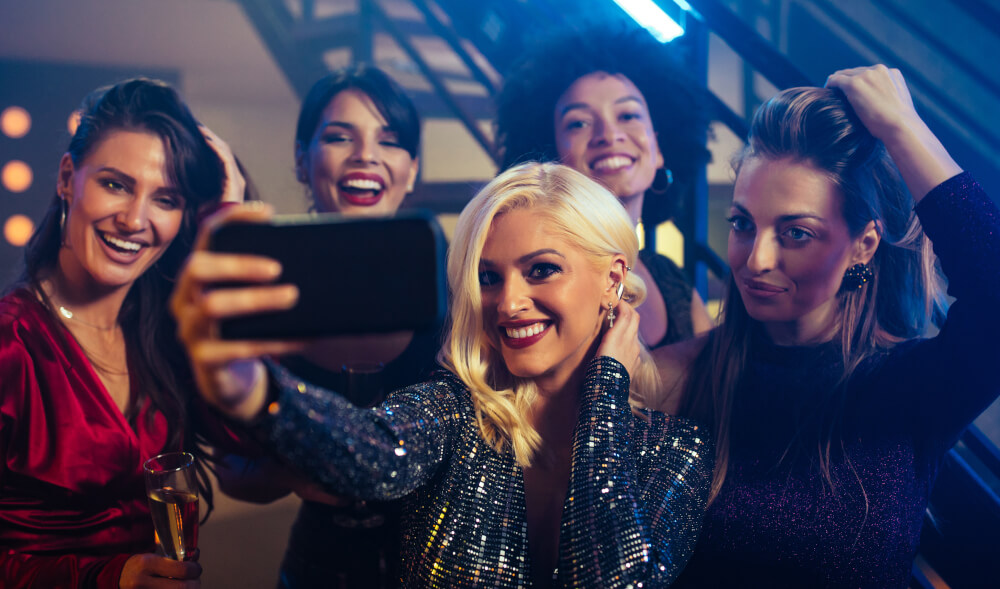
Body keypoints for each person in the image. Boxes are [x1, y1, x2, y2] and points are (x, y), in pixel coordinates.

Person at [171, 161, 714, 587]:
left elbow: (613, 580)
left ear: (613, 280)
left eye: (541, 270)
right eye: (488, 278)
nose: (508, 303)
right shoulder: (456, 410)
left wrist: (604, 394)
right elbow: (371, 454)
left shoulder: (676, 451)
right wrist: (254, 389)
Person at [653, 66, 1000, 588]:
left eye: (796, 233)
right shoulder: (681, 377)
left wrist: (903, 127)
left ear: (863, 245)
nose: (755, 260)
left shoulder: (909, 389)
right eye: (743, 224)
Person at [0, 78, 242, 588]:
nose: (135, 219)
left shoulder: (163, 338)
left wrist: (227, 219)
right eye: (115, 183)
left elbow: (250, 439)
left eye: (167, 199)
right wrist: (110, 579)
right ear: (68, 178)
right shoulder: (9, 345)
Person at [210, 64, 437, 589]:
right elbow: (230, 469)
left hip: (437, 569)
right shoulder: (266, 294)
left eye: (390, 139)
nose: (365, 155)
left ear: (412, 168)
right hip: (319, 570)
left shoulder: (453, 281)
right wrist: (294, 474)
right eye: (339, 136)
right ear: (301, 160)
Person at [495, 24, 715, 348]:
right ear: (549, 155)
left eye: (628, 115)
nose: (609, 134)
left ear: (659, 147)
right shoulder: (538, 274)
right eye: (579, 122)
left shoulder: (670, 280)